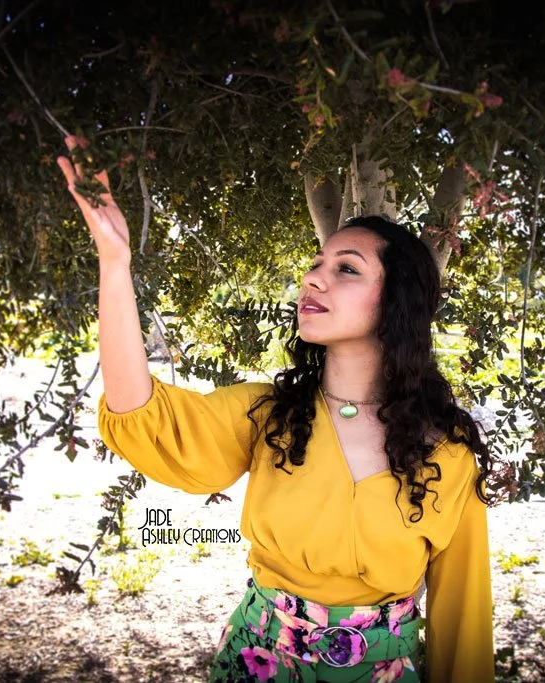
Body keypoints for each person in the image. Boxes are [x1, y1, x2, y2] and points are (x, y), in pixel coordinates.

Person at [57, 136, 495, 682]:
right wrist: (115, 263)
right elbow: (140, 418)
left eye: (347, 269)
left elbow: (463, 621)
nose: (314, 277)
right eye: (316, 264)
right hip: (255, 666)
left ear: (396, 302)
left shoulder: (447, 452)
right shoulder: (270, 414)